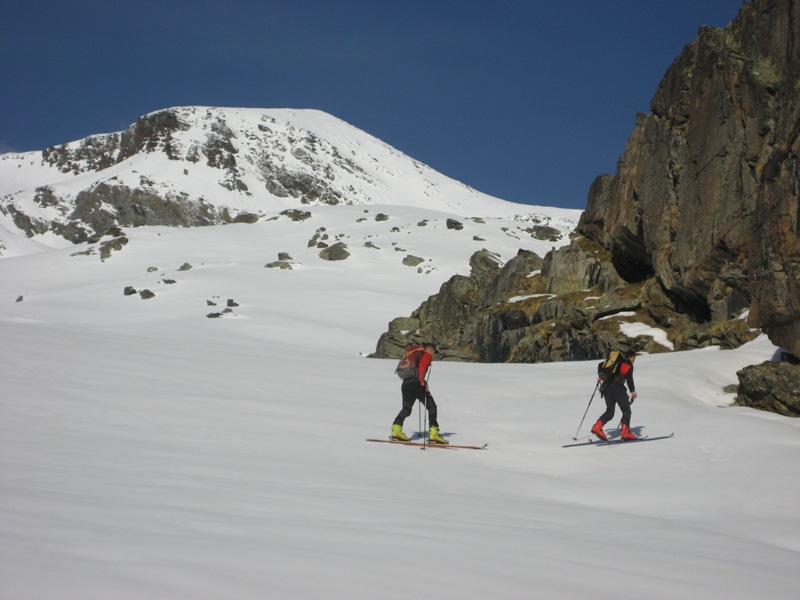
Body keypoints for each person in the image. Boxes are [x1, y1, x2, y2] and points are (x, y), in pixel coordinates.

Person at [390, 343, 447, 444]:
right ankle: (434, 434)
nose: (433, 355)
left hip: (406, 383)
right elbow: (422, 369)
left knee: (406, 409)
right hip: (416, 384)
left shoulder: (413, 355)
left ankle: (396, 430)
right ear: (431, 350)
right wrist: (422, 383)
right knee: (432, 407)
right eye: (434, 352)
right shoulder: (426, 355)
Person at [591, 349, 639, 441]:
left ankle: (597, 426)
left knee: (610, 411)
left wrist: (601, 375)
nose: (634, 360)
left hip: (606, 388)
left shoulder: (615, 363)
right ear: (632, 357)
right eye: (634, 358)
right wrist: (632, 391)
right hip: (617, 388)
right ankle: (625, 432)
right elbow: (629, 379)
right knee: (626, 411)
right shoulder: (628, 364)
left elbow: (600, 365)